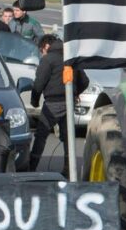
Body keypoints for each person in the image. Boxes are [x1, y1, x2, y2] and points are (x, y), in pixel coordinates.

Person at [28, 34, 89, 175]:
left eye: (41, 50)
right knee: (68, 137)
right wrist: (74, 93)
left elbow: (39, 83)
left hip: (52, 103)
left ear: (46, 46)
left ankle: (32, 167)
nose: (42, 53)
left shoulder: (48, 59)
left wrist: (34, 101)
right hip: (69, 102)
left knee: (41, 135)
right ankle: (68, 170)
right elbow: (85, 81)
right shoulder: (71, 58)